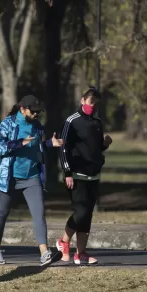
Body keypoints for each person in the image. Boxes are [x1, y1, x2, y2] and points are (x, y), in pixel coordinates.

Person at [0, 95, 64, 266]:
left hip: (31, 176)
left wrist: (50, 144)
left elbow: (36, 148)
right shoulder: (8, 123)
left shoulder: (37, 126)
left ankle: (44, 253)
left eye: (39, 112)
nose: (36, 114)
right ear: (22, 109)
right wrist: (18, 143)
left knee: (39, 213)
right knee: (2, 212)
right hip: (9, 177)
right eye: (33, 111)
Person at [56, 87, 112, 265]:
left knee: (87, 215)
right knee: (80, 212)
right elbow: (63, 148)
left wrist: (105, 145)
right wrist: (67, 173)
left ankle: (81, 253)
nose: (93, 106)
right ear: (82, 101)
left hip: (93, 176)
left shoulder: (97, 122)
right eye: (91, 102)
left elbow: (96, 149)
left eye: (96, 103)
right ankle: (64, 241)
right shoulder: (71, 121)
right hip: (76, 175)